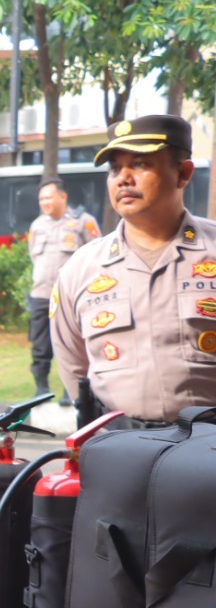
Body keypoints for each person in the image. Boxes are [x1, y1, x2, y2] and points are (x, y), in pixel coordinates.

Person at [51, 115, 216, 428]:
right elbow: (74, 368)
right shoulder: (81, 268)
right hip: (118, 449)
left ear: (183, 173)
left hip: (209, 449)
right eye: (115, 168)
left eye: (140, 165)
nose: (123, 178)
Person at [27, 179, 99, 405]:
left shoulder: (83, 222)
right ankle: (41, 388)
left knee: (73, 344)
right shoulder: (37, 225)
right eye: (41, 199)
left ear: (63, 197)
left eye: (48, 197)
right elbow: (33, 256)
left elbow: (97, 255)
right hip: (41, 293)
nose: (44, 202)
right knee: (40, 345)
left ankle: (73, 391)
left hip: (71, 297)